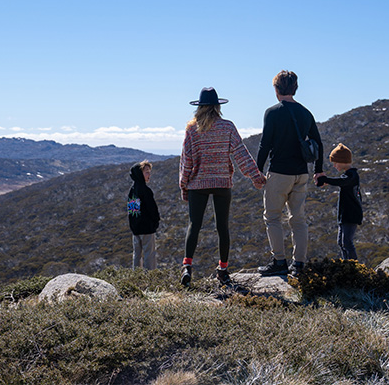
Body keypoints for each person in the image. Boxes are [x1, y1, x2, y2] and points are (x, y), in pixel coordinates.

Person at [179, 87, 266, 288]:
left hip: (197, 184)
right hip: (221, 182)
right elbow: (241, 154)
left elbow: (187, 162)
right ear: (218, 106)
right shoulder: (227, 127)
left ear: (199, 107)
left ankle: (187, 266)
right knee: (222, 227)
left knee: (194, 225)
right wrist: (255, 176)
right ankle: (223, 269)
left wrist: (184, 186)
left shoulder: (192, 130)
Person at [256, 70, 324, 277]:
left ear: (276, 89)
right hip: (301, 173)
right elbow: (318, 144)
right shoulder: (306, 112)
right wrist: (318, 171)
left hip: (279, 172)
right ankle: (299, 264)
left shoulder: (272, 112)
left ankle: (279, 261)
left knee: (273, 218)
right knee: (298, 219)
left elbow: (265, 144)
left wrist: (257, 171)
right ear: (295, 88)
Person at [316, 143, 363, 260]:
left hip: (351, 215)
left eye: (335, 162)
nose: (334, 165)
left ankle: (354, 267)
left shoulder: (352, 175)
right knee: (341, 242)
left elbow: (342, 182)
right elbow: (341, 181)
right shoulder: (348, 175)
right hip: (345, 215)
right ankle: (348, 265)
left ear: (343, 161)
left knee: (347, 242)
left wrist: (324, 179)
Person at [128, 160, 160, 270]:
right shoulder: (146, 190)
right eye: (146, 172)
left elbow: (132, 211)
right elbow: (152, 209)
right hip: (147, 228)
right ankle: (150, 279)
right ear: (139, 174)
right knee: (149, 254)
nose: (149, 175)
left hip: (136, 229)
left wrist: (133, 225)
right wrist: (155, 221)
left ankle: (136, 277)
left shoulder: (132, 191)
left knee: (137, 254)